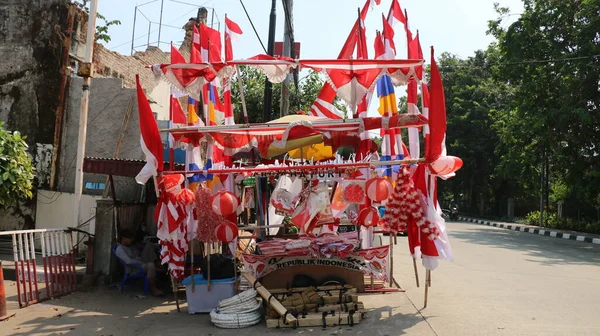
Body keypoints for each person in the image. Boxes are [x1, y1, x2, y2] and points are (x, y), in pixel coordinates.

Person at [115, 229, 164, 296]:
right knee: (150, 266)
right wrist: (140, 262)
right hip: (134, 268)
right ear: (123, 238)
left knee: (149, 245)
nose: (131, 240)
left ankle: (157, 264)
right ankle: (153, 289)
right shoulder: (120, 249)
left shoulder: (129, 246)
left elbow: (136, 253)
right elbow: (128, 261)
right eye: (130, 238)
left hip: (140, 261)